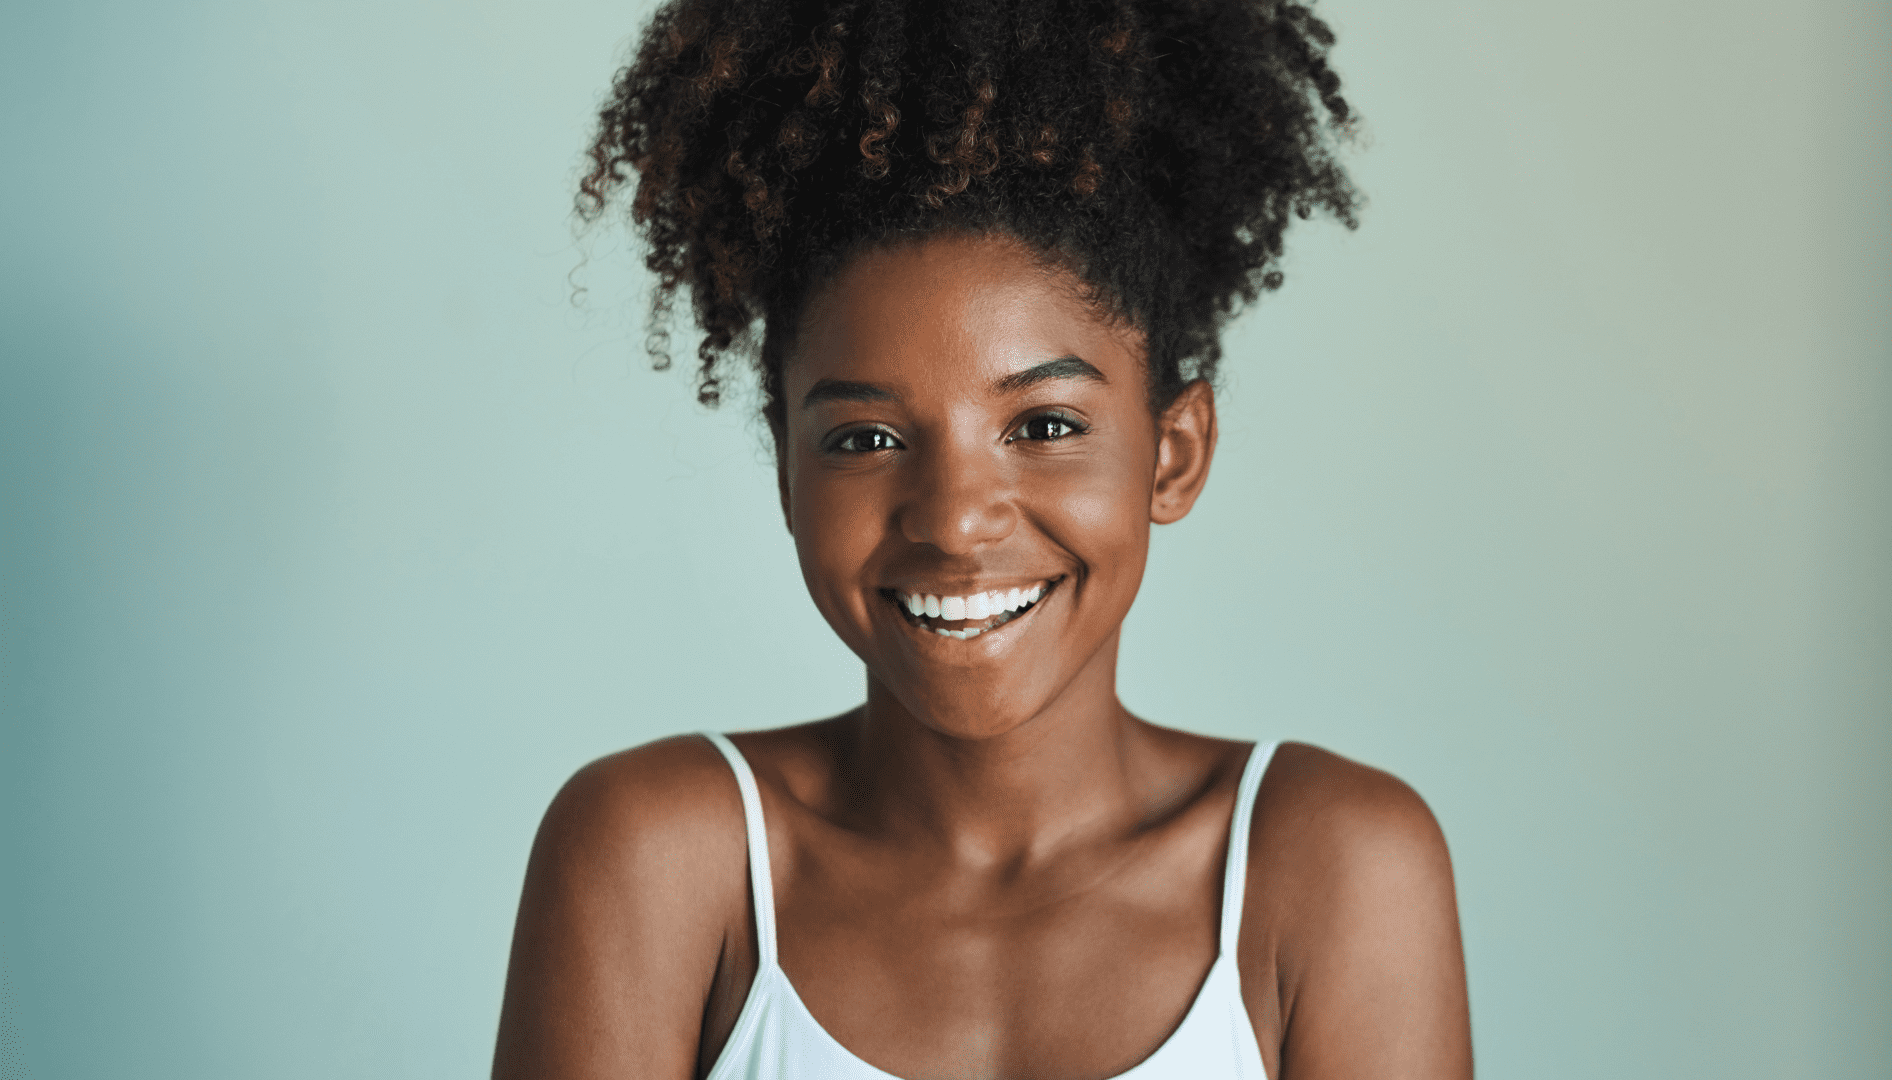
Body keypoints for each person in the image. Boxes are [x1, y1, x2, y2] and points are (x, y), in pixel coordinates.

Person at [494, 1, 1471, 1076]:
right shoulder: (660, 860)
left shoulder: (1331, 867)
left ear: (1173, 454)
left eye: (1045, 426)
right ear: (787, 473)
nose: (957, 520)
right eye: (865, 437)